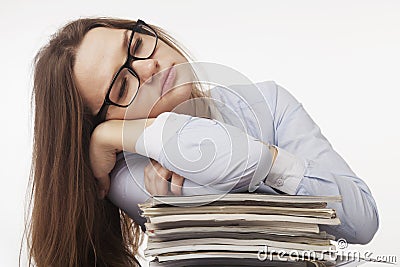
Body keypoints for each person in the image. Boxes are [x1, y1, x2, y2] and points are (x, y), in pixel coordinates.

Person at [27, 17, 379, 267]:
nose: (148, 67)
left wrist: (271, 161)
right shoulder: (130, 176)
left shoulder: (267, 101)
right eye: (122, 87)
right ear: (108, 120)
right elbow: (229, 160)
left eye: (136, 44)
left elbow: (362, 221)